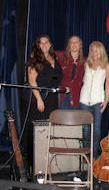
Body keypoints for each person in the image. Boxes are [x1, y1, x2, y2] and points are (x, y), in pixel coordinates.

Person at [22, 35, 62, 175]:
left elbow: (55, 79)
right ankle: (31, 165)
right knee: (35, 132)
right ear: (38, 45)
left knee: (48, 131)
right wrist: (39, 99)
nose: (44, 45)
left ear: (50, 44)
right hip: (36, 98)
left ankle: (45, 163)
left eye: (47, 42)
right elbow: (32, 81)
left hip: (51, 99)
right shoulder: (34, 59)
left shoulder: (54, 59)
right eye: (41, 43)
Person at [79, 41, 109, 159]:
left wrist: (106, 99)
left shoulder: (107, 65)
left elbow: (108, 83)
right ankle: (86, 155)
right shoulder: (86, 63)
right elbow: (83, 79)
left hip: (98, 100)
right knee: (86, 129)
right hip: (84, 99)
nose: (94, 53)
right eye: (92, 50)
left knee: (96, 130)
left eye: (96, 51)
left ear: (101, 51)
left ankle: (93, 155)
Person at [55, 36, 85, 109]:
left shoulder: (85, 61)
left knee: (76, 119)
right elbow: (46, 54)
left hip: (77, 96)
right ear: (69, 45)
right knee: (63, 119)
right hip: (63, 95)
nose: (74, 44)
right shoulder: (60, 55)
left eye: (76, 42)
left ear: (80, 45)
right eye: (71, 42)